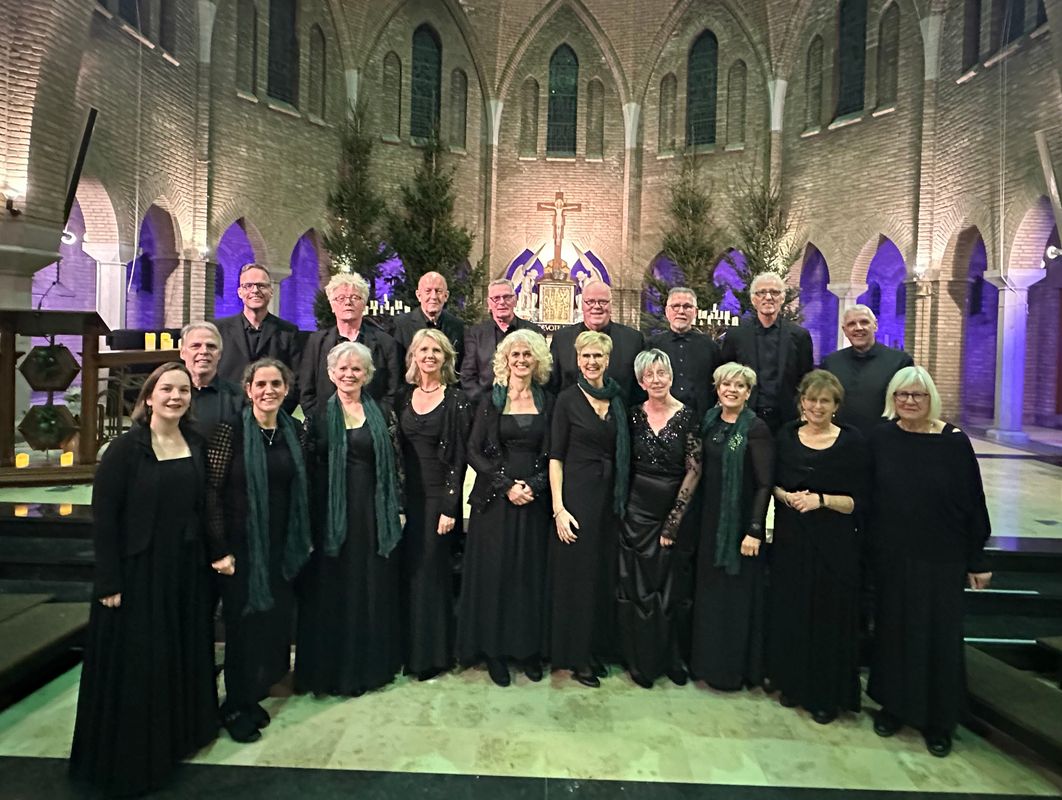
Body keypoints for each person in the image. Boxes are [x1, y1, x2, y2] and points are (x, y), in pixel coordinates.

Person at [70, 363, 217, 795]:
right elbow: (105, 519)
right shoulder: (124, 450)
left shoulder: (195, 441)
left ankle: (175, 740)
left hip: (184, 568)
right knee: (141, 662)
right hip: (140, 569)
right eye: (167, 389)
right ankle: (135, 759)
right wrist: (109, 581)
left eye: (183, 390)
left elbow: (202, 506)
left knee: (177, 653)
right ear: (149, 397)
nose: (175, 397)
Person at [867, 366, 992, 758]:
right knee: (893, 630)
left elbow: (973, 500)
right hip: (893, 554)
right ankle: (894, 707)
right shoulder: (882, 437)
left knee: (939, 636)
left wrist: (977, 558)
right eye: (902, 394)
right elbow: (869, 495)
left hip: (942, 556)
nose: (909, 401)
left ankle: (939, 721)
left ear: (930, 399)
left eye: (917, 395)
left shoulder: (953, 442)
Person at [207, 358, 311, 743]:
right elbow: (211, 492)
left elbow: (301, 487)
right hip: (241, 545)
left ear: (286, 390)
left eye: (276, 384)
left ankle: (254, 693)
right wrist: (219, 549)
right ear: (248, 390)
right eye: (261, 384)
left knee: (270, 623)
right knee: (242, 625)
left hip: (282, 544)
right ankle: (235, 704)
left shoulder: (293, 431)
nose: (269, 391)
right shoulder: (230, 431)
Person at [296, 342, 404, 697]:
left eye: (356, 369)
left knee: (369, 586)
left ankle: (369, 668)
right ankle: (333, 672)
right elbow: (306, 470)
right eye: (342, 368)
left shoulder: (383, 413)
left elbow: (397, 464)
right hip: (330, 516)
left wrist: (398, 507)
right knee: (334, 589)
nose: (349, 374)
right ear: (331, 373)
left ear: (367, 374)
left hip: (372, 513)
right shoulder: (317, 418)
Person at [768, 370, 868, 724]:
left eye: (825, 401)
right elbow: (771, 482)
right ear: (801, 402)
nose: (817, 406)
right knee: (793, 611)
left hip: (833, 543)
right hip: (792, 539)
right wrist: (786, 496)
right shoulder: (786, 436)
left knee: (828, 617)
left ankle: (826, 696)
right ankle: (792, 684)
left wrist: (821, 500)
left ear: (836, 405)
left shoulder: (852, 442)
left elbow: (861, 501)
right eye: (811, 399)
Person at [457, 329, 554, 686]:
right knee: (495, 575)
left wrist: (535, 485)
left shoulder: (548, 401)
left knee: (528, 575)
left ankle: (527, 650)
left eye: (528, 355)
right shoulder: (490, 400)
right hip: (495, 500)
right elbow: (473, 450)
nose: (522, 360)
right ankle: (494, 651)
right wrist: (506, 485)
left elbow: (554, 451)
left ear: (537, 360)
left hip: (534, 499)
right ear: (505, 361)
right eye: (515, 355)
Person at [547, 330, 630, 687]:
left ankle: (597, 649)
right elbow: (555, 458)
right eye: (586, 356)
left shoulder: (617, 398)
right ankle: (575, 656)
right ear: (577, 361)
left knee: (601, 578)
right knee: (577, 580)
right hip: (577, 499)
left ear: (607, 361)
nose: (592, 362)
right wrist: (559, 509)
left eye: (598, 356)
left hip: (609, 500)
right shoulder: (567, 400)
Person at [617, 349, 702, 689]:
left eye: (661, 373)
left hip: (673, 509)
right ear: (640, 381)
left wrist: (674, 520)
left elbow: (694, 470)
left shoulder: (688, 416)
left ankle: (671, 659)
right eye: (649, 375)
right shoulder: (632, 415)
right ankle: (639, 660)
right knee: (636, 588)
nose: (656, 380)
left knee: (672, 589)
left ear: (671, 376)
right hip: (637, 510)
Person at [690, 362, 773, 690]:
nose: (732, 390)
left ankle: (731, 671)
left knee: (734, 598)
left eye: (739, 386)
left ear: (748, 392)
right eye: (726, 384)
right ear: (717, 388)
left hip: (738, 525)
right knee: (709, 595)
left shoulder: (755, 428)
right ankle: (705, 664)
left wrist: (754, 529)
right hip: (710, 520)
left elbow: (764, 483)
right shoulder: (710, 420)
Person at [395, 328, 471, 680]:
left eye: (436, 350)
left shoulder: (456, 400)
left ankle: (433, 656)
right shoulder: (401, 397)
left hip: (438, 498)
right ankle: (408, 649)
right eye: (423, 349)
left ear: (446, 358)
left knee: (432, 574)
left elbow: (459, 458)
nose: (429, 355)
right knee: (409, 572)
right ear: (413, 356)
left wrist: (449, 506)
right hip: (406, 499)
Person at [720, 273, 813, 433]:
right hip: (744, 417)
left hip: (786, 420)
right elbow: (726, 375)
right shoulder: (736, 335)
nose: (768, 297)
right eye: (761, 292)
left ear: (782, 298)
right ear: (753, 299)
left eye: (774, 292)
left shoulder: (799, 336)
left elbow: (806, 379)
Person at [299, 273, 401, 416]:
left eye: (355, 297)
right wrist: (319, 420)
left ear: (364, 304)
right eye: (341, 298)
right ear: (332, 305)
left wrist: (376, 418)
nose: (348, 302)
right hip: (325, 422)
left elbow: (393, 390)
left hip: (372, 422)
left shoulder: (386, 343)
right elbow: (306, 391)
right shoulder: (316, 342)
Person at [215, 264, 302, 408]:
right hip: (228, 412)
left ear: (271, 291)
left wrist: (278, 412)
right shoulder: (219, 329)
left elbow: (296, 380)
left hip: (273, 413)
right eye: (248, 286)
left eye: (261, 285)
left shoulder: (288, 332)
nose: (255, 290)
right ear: (240, 292)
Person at [821, 304, 914, 437]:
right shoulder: (831, 363)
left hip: (885, 439)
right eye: (851, 324)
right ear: (845, 330)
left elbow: (907, 405)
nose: (858, 328)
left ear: (875, 325)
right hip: (841, 440)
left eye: (864, 322)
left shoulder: (900, 362)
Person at [549, 279, 646, 404]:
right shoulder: (562, 339)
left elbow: (640, 390)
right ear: (582, 304)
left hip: (620, 413)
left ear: (611, 304)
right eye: (590, 302)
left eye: (603, 301)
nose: (596, 306)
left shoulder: (633, 340)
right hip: (571, 414)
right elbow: (553, 387)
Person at [461, 278, 544, 405]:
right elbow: (467, 376)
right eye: (496, 298)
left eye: (507, 297)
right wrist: (484, 403)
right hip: (484, 403)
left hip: (525, 403)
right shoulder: (475, 334)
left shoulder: (534, 331)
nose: (502, 302)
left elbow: (541, 373)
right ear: (489, 303)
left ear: (515, 300)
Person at [647, 287, 720, 421]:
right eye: (675, 306)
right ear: (667, 311)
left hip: (701, 420)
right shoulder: (651, 346)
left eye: (687, 306)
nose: (681, 311)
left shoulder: (710, 346)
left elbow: (718, 384)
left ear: (695, 312)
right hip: (661, 419)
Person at [180, 320, 244, 440]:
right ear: (183, 353)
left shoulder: (239, 396)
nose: (204, 351)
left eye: (211, 346)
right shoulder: (169, 396)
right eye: (195, 346)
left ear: (219, 354)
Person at [392, 271, 466, 371]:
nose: (433, 296)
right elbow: (396, 366)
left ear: (446, 296)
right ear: (419, 295)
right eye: (428, 291)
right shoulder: (401, 325)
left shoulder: (457, 326)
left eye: (438, 291)